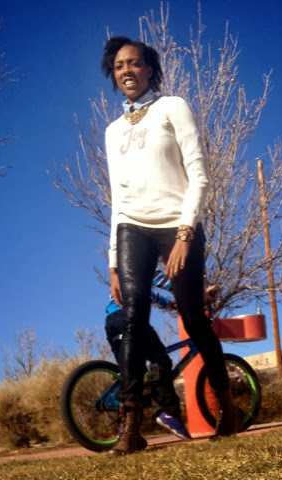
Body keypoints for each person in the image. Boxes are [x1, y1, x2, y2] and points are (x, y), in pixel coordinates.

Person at [101, 36, 239, 455]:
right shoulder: (112, 131)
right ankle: (131, 426)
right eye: (119, 65)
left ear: (149, 69)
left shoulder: (172, 107)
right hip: (132, 227)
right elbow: (118, 197)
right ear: (113, 74)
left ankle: (228, 407)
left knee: (194, 319)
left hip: (177, 224)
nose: (127, 70)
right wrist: (113, 260)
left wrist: (184, 233)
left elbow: (199, 174)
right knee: (132, 318)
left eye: (134, 63)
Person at [104, 267, 191, 441]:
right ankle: (169, 413)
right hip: (130, 317)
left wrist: (167, 304)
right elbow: (169, 283)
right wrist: (192, 293)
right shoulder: (143, 261)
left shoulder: (124, 269)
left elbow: (147, 294)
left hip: (111, 322)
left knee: (131, 372)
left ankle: (126, 428)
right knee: (161, 360)